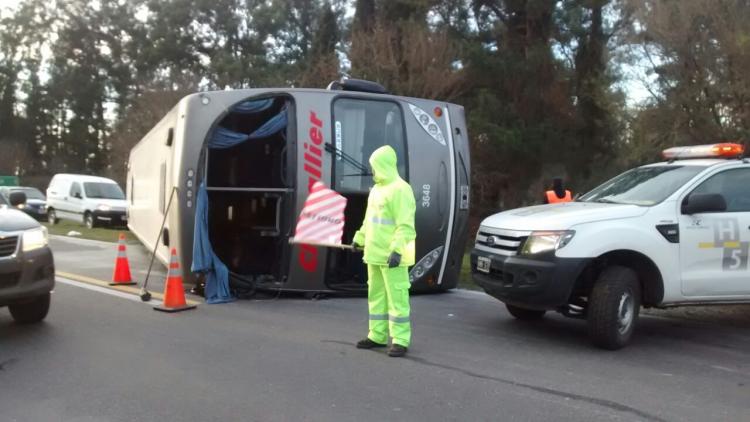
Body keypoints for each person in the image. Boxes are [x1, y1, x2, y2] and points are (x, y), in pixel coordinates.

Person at [352, 145, 416, 358]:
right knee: (376, 297)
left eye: (374, 166)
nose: (372, 171)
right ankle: (377, 335)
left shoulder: (401, 189)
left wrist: (397, 250)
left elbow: (406, 225)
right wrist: (359, 238)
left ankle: (400, 340)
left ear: (384, 165)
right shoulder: (377, 190)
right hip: (375, 255)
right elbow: (369, 221)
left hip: (393, 257)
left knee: (397, 298)